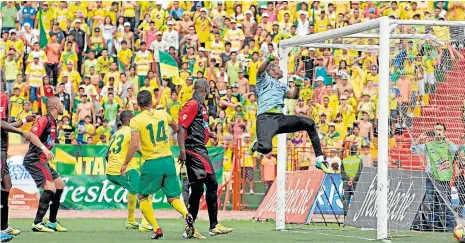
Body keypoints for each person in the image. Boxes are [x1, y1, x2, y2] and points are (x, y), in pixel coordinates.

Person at [121, 90, 194, 240]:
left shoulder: (136, 120)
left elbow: (134, 145)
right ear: (151, 101)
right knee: (173, 197)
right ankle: (187, 214)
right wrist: (169, 137)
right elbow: (177, 128)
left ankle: (156, 228)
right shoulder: (162, 113)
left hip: (151, 162)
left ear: (138, 104)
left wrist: (125, 163)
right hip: (168, 160)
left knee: (142, 196)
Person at [248, 52, 331, 173]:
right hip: (265, 118)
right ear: (272, 70)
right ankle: (255, 145)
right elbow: (260, 70)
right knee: (266, 148)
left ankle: (319, 159)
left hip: (280, 119)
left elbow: (293, 96)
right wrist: (269, 58)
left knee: (310, 123)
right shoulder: (264, 79)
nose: (281, 70)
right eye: (279, 68)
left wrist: (297, 86)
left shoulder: (282, 86)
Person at [178, 79, 233, 239]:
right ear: (205, 89)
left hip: (197, 148)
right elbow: (181, 127)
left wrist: (210, 134)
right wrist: (182, 151)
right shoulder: (193, 104)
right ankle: (213, 225)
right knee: (212, 183)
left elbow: (198, 126)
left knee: (197, 190)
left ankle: (189, 228)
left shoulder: (201, 106)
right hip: (194, 150)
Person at [0, 88, 49, 241]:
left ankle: (3, 226)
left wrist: (24, 121)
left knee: (7, 186)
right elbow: (1, 123)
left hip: (3, 149)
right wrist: (21, 132)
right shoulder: (2, 97)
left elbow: (5, 123)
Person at [23, 96, 67, 232]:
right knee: (50, 188)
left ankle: (52, 222)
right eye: (61, 104)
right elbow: (32, 135)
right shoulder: (44, 119)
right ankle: (37, 223)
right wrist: (44, 149)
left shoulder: (54, 122)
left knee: (59, 185)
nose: (63, 106)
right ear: (55, 106)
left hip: (42, 160)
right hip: (34, 159)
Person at [105, 110, 152, 232]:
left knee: (133, 189)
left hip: (110, 171)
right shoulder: (131, 132)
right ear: (130, 120)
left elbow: (106, 155)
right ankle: (146, 224)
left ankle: (131, 220)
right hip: (122, 169)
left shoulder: (116, 133)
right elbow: (136, 147)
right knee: (147, 189)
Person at [412, 123, 458, 231]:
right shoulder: (429, 145)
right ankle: (434, 227)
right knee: (431, 203)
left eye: (440, 129)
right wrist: (419, 139)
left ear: (444, 132)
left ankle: (450, 227)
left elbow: (455, 149)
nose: (438, 131)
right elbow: (413, 150)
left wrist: (444, 139)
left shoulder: (448, 144)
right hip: (431, 177)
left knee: (444, 203)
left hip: (443, 179)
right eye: (436, 129)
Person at [341, 146, 363, 217]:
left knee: (346, 200)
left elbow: (342, 174)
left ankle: (346, 216)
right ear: (356, 151)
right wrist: (353, 179)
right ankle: (355, 217)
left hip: (346, 183)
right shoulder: (359, 160)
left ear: (350, 151)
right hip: (356, 183)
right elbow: (360, 173)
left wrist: (348, 179)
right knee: (356, 200)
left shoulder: (344, 160)